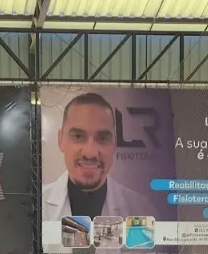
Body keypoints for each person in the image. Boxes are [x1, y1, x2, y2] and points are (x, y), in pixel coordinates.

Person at [42, 93, 152, 226]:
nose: (90, 153)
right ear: (60, 140)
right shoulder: (35, 207)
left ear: (114, 143)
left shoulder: (143, 209)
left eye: (103, 138)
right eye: (78, 136)